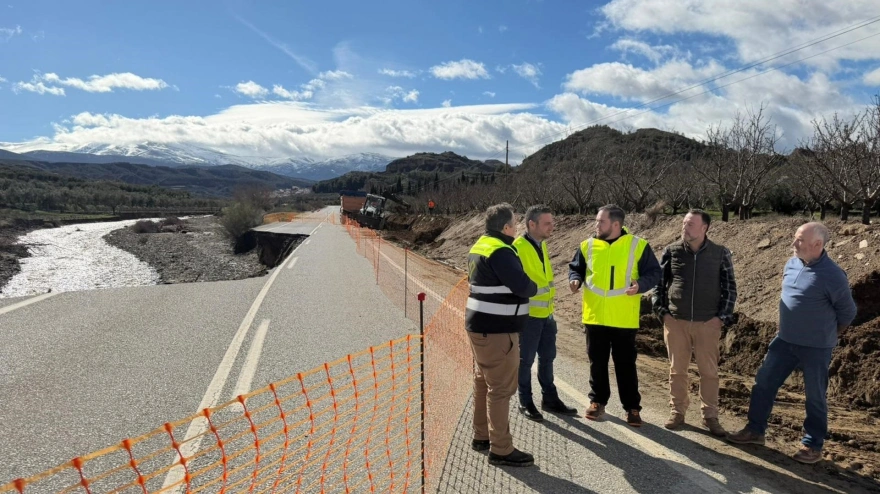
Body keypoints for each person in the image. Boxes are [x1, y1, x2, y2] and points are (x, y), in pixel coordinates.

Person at [727, 222, 856, 464]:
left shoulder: (833, 275)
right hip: (784, 341)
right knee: (764, 383)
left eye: (799, 240)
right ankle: (755, 431)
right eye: (795, 238)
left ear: (817, 244)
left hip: (816, 348)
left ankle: (812, 445)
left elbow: (847, 313)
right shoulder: (792, 263)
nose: (793, 244)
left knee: (815, 396)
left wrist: (825, 334)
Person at [569, 204, 662, 427]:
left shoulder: (637, 246)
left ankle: (632, 408)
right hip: (595, 316)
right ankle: (597, 401)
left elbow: (654, 273)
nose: (596, 225)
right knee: (597, 363)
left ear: (616, 224)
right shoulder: (587, 245)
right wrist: (575, 279)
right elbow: (576, 267)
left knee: (625, 365)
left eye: (601, 221)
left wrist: (640, 285)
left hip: (623, 318)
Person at [652, 209, 737, 437]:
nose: (685, 228)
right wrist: (663, 314)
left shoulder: (720, 254)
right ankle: (677, 412)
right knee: (677, 370)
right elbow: (659, 285)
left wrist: (720, 319)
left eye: (690, 224)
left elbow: (730, 288)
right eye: (684, 223)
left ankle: (710, 416)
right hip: (676, 321)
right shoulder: (672, 251)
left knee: (709, 372)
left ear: (704, 228)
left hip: (707, 323)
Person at [466, 203, 537, 467]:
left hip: (479, 326)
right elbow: (523, 286)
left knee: (483, 381)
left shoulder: (479, 246)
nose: (517, 227)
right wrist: (532, 284)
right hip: (497, 331)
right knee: (501, 389)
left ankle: (481, 436)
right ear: (506, 227)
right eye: (515, 223)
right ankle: (501, 449)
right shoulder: (501, 251)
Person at [512, 205, 578, 422]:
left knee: (548, 357)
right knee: (525, 360)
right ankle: (525, 400)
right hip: (529, 317)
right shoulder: (518, 247)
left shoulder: (541, 245)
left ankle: (549, 399)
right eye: (547, 223)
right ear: (532, 224)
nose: (553, 226)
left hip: (547, 315)